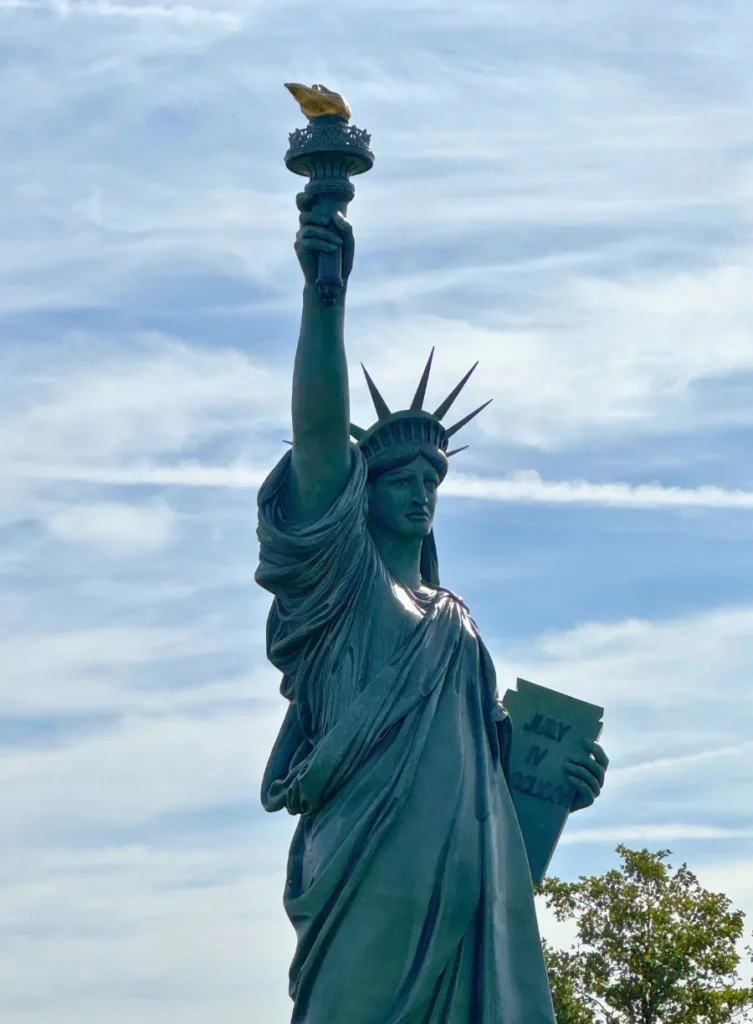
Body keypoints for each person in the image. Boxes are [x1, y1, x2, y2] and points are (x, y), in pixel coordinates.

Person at [255, 197, 608, 1023]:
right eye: (400, 482)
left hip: (469, 885)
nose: (420, 495)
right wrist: (324, 297)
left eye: (431, 483)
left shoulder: (457, 625)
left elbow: (486, 770)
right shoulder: (347, 595)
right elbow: (317, 438)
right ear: (359, 495)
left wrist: (557, 786)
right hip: (368, 869)